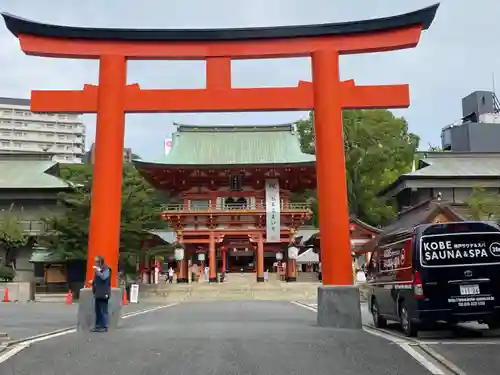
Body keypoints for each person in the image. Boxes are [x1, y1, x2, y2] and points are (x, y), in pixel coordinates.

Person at [91, 256, 111, 332]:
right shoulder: (98, 269)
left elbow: (104, 277)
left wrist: (98, 272)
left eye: (96, 261)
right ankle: (98, 326)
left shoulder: (106, 269)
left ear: (100, 262)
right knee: (98, 310)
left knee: (103, 309)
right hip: (98, 292)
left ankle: (105, 326)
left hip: (104, 292)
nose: (95, 263)